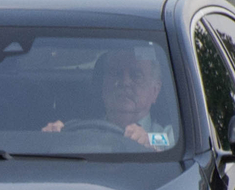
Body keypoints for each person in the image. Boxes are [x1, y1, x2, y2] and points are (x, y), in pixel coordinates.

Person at [43, 49, 175, 149]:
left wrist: (148, 143)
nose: (125, 82)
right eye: (115, 73)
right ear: (102, 85)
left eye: (136, 75)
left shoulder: (171, 136)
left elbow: (173, 162)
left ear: (155, 91)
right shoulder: (79, 132)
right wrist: (51, 139)